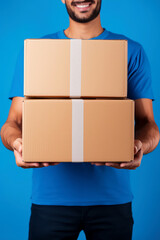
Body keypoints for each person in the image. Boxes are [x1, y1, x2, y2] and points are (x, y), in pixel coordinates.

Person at [1, 0, 160, 239]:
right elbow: (12, 123)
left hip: (112, 202)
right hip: (51, 202)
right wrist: (17, 144)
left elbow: (148, 124)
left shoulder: (130, 50)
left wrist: (140, 145)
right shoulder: (37, 51)